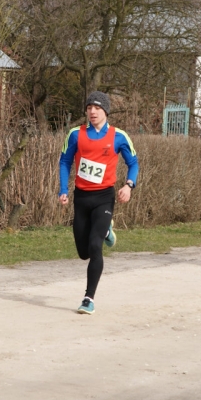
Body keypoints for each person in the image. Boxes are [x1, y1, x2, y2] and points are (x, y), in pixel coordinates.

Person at [59, 91, 139, 314]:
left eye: (97, 108)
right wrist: (63, 189)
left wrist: (128, 185)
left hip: (104, 197)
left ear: (105, 111)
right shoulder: (76, 134)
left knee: (95, 247)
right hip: (81, 197)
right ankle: (107, 232)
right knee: (83, 252)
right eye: (89, 107)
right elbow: (65, 161)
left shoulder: (118, 136)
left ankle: (88, 298)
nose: (92, 111)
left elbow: (133, 163)